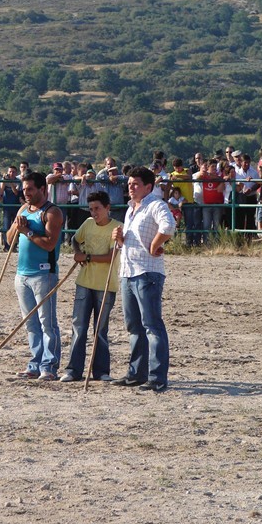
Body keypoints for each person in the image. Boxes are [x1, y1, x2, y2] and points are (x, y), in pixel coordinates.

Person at [111, 166, 176, 392]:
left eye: (135, 184)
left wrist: (155, 245)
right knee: (134, 326)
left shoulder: (156, 204)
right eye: (129, 183)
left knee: (151, 325)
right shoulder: (131, 209)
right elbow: (130, 242)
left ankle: (157, 377)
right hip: (128, 271)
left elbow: (169, 226)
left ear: (149, 186)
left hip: (147, 272)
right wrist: (119, 239)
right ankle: (136, 373)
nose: (130, 187)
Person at [6, 172, 64, 381]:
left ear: (42, 189)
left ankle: (49, 366)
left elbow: (50, 243)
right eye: (24, 189)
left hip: (43, 274)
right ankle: (34, 363)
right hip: (22, 275)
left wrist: (28, 232)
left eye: (30, 189)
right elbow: (9, 239)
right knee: (30, 323)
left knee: (47, 323)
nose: (26, 193)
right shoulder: (23, 209)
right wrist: (17, 227)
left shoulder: (52, 212)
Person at [60, 191, 122, 382]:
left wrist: (85, 257)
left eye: (97, 209)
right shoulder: (87, 224)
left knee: (100, 329)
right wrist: (77, 251)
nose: (94, 213)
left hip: (105, 285)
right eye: (91, 209)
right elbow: (75, 239)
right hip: (84, 283)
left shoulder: (117, 228)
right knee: (79, 326)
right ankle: (73, 370)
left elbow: (111, 257)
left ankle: (101, 371)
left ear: (107, 208)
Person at [170, 158, 194, 245]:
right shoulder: (172, 174)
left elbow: (189, 177)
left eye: (179, 167)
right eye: (176, 168)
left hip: (188, 201)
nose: (177, 169)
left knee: (189, 222)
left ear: (182, 166)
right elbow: (169, 185)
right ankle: (175, 242)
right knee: (176, 223)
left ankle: (189, 242)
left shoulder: (187, 171)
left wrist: (178, 176)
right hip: (176, 203)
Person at [201, 159, 225, 243]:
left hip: (217, 204)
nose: (214, 168)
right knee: (206, 225)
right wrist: (205, 173)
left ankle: (216, 243)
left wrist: (214, 177)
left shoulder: (219, 176)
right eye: (212, 166)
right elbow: (198, 176)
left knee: (216, 225)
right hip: (206, 205)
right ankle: (206, 243)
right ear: (208, 167)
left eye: (215, 166)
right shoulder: (204, 176)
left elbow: (221, 187)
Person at [0, 165, 21, 250]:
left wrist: (11, 183)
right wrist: (4, 182)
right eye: (10, 172)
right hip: (7, 207)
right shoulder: (4, 180)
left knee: (16, 227)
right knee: (6, 226)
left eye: (13, 172)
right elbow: (0, 192)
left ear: (16, 173)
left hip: (16, 207)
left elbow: (16, 192)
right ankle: (6, 246)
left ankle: (14, 245)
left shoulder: (18, 181)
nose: (11, 173)